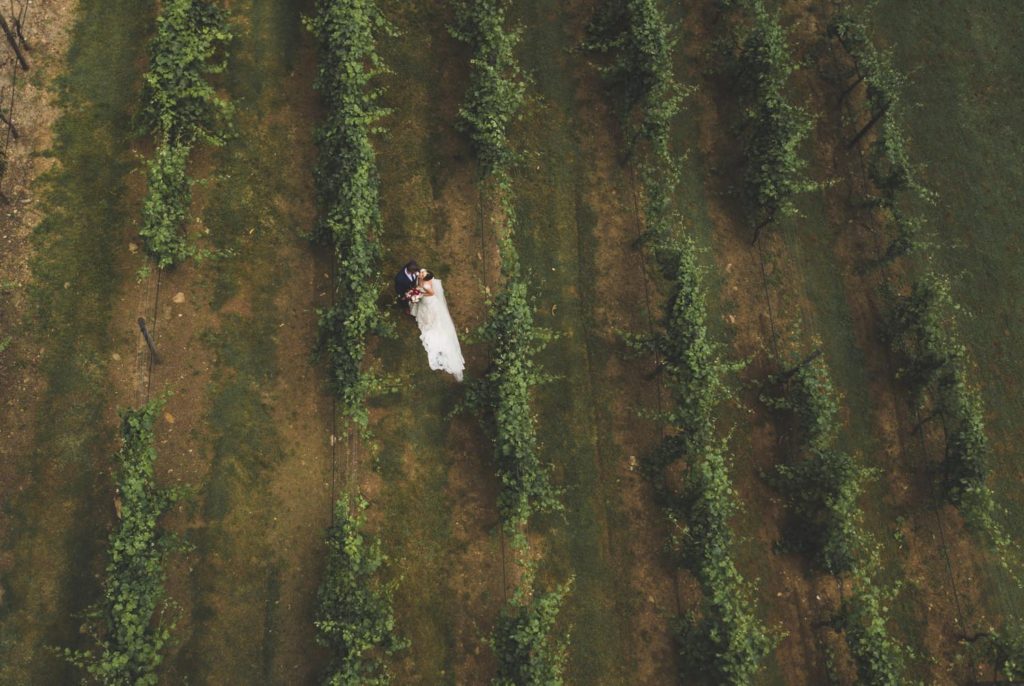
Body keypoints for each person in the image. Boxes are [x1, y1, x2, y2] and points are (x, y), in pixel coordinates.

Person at [409, 269, 465, 382]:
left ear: (426, 278)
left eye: (422, 274)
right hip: (425, 300)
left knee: (431, 320)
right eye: (421, 273)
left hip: (429, 301)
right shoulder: (422, 279)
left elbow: (431, 293)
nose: (420, 274)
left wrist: (420, 293)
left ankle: (430, 324)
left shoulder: (426, 284)